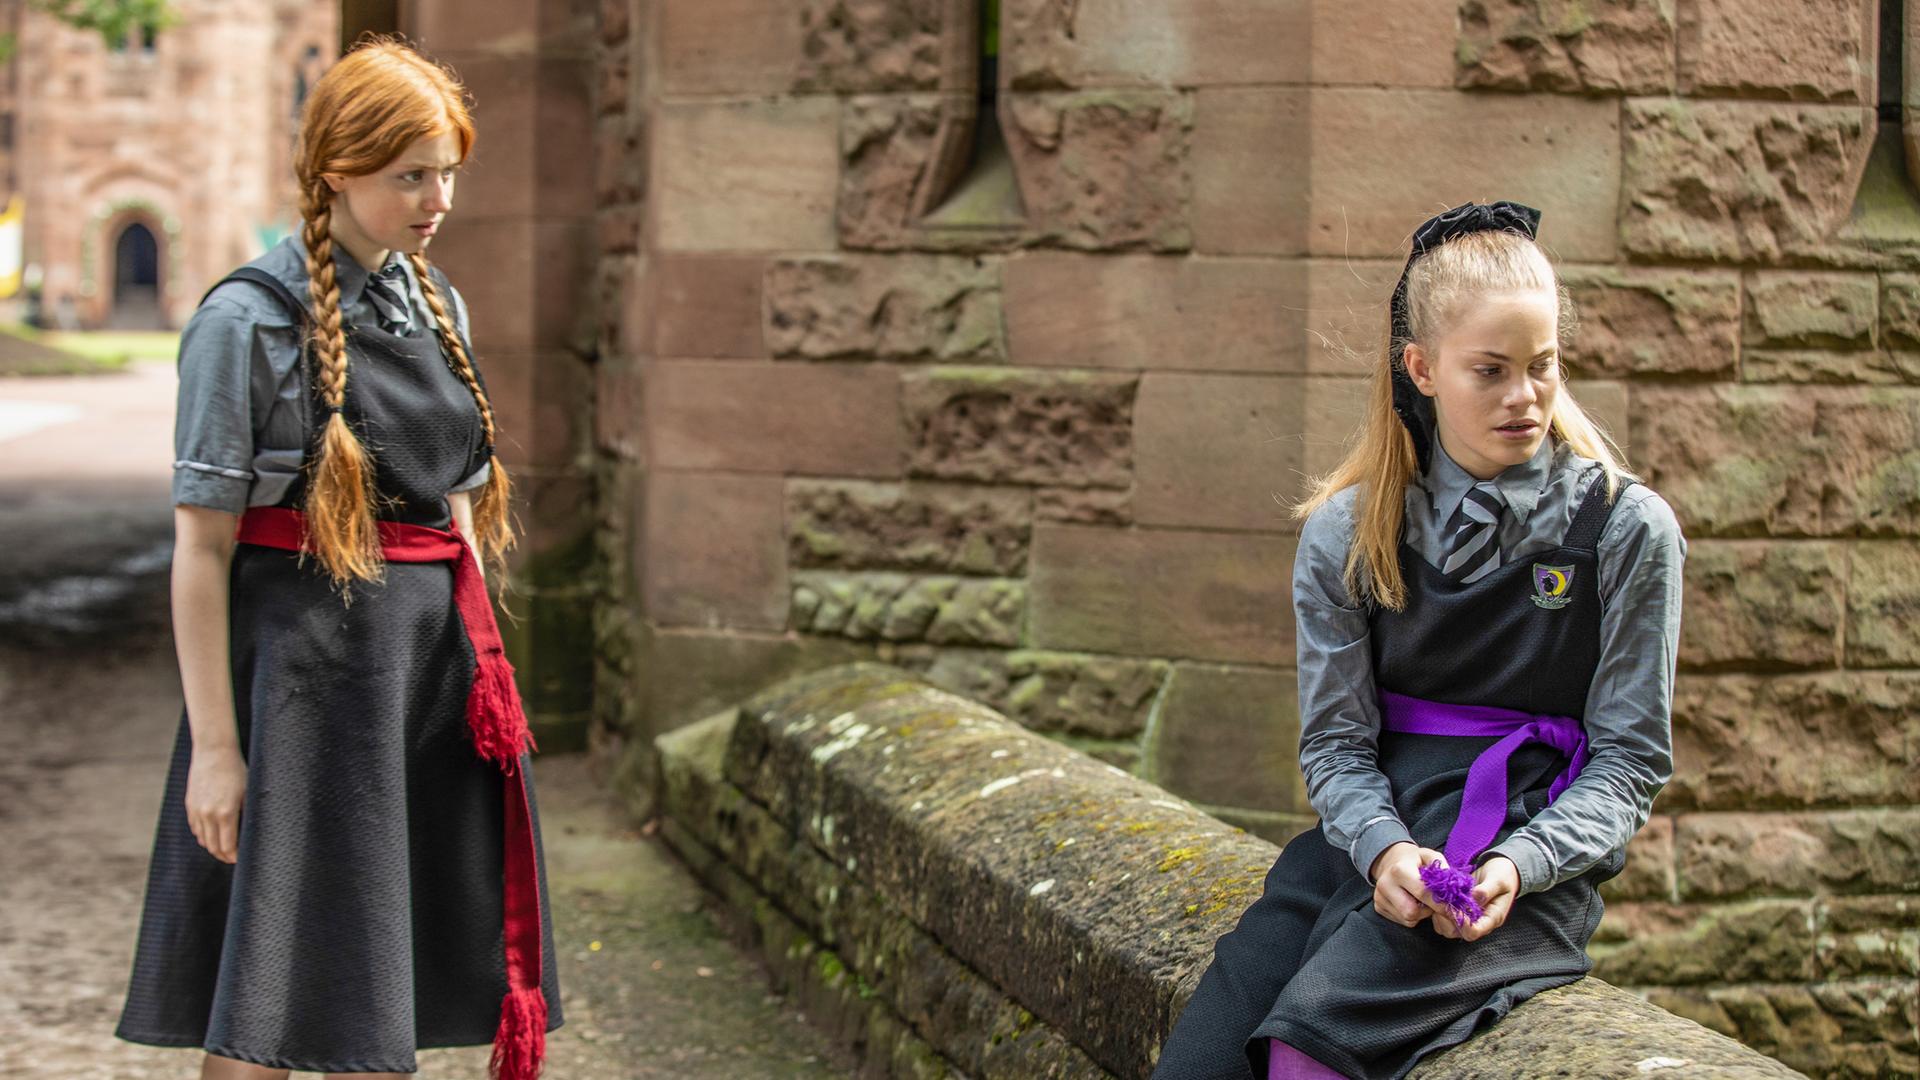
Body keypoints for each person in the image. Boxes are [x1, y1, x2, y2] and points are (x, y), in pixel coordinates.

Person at [1150, 201, 1686, 1080]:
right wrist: (1386, 848)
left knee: (1309, 1049)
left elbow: (1630, 762)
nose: (1525, 397)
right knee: (1204, 1063)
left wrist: (1524, 861)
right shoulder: (1347, 533)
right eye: (1491, 370)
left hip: (1514, 860)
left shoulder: (1628, 531)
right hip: (1365, 838)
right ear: (1422, 367)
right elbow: (1334, 743)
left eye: (1542, 366)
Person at [115, 39, 560, 1080]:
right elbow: (199, 547)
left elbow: (450, 512)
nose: (436, 197)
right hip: (304, 693)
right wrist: (219, 752)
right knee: (267, 982)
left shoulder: (436, 306)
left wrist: (487, 679)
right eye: (410, 173)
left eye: (446, 169)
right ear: (335, 171)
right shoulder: (246, 320)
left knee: (379, 976)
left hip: (425, 687)